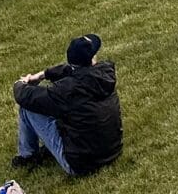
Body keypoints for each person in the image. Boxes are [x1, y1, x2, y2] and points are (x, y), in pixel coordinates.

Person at [10, 34, 121, 176]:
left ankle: (28, 156)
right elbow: (73, 71)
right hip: (113, 150)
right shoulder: (106, 72)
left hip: (81, 165)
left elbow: (25, 97)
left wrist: (20, 83)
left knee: (27, 108)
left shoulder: (65, 91)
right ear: (92, 58)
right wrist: (43, 74)